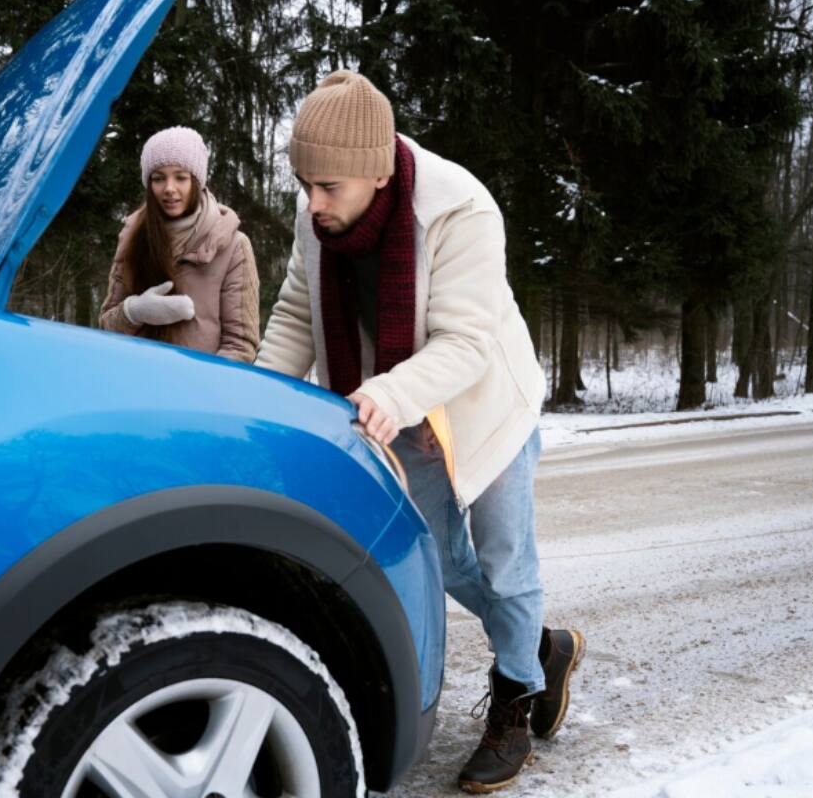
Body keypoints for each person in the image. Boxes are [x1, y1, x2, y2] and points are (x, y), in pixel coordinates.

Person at [254, 70, 585, 793]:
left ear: (378, 171)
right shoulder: (322, 214)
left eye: (327, 186)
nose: (312, 203)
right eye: (304, 183)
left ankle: (517, 700)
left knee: (504, 563)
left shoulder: (461, 208)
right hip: (397, 406)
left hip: (479, 402)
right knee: (437, 558)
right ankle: (542, 645)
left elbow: (466, 343)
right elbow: (292, 319)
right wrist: (255, 399)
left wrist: (390, 393)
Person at [99, 126, 259, 363]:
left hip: (199, 392)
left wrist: (198, 388)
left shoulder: (234, 246)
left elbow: (241, 343)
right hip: (137, 384)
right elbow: (106, 326)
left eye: (180, 177)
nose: (169, 189)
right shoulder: (132, 238)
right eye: (158, 178)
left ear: (197, 181)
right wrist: (133, 312)